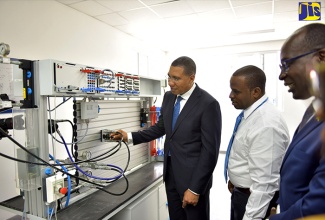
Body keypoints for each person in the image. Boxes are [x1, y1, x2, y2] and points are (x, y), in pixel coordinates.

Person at [111, 56, 222, 220]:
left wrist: (195, 189)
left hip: (193, 181)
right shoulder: (169, 97)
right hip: (171, 176)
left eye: (176, 78)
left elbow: (210, 152)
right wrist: (129, 137)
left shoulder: (208, 104)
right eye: (169, 77)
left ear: (192, 78)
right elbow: (161, 128)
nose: (170, 82)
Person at [269, 23, 325, 219]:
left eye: (287, 64)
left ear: (321, 57)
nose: (281, 75)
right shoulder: (315, 107)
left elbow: (317, 206)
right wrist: (278, 203)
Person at [225, 65, 290, 220]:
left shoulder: (266, 124)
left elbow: (265, 184)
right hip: (241, 193)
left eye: (236, 91)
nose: (230, 95)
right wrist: (236, 179)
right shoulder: (251, 114)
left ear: (255, 92)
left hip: (253, 202)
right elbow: (245, 151)